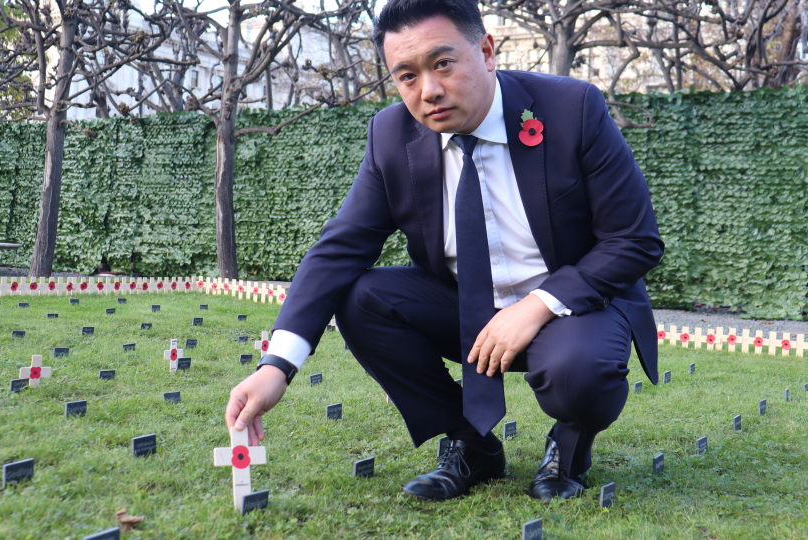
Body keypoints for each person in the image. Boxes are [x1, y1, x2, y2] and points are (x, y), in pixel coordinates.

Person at [226, 0, 664, 503]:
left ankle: (568, 451)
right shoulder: (390, 136)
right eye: (407, 76)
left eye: (443, 64)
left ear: (487, 51)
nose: (428, 90)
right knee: (361, 298)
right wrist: (276, 366)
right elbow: (339, 250)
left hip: (572, 310)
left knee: (578, 372)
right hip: (468, 311)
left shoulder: (572, 109)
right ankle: (472, 444)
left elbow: (634, 239)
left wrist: (536, 306)